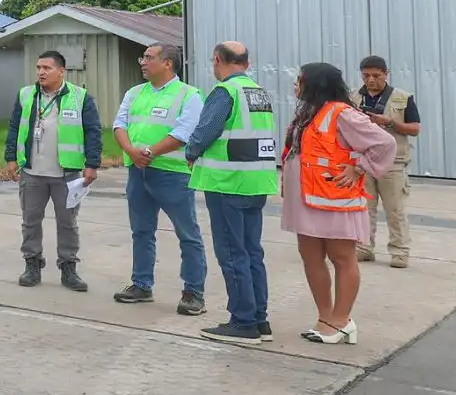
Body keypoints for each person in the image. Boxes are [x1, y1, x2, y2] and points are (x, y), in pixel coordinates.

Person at [280, 61, 397, 345]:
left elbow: (384, 143)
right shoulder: (307, 114)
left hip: (334, 198)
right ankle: (324, 317)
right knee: (310, 258)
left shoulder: (342, 113)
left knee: (341, 258)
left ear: (315, 84)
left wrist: (359, 167)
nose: (296, 85)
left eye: (300, 80)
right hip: (306, 197)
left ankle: (342, 320)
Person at [183, 42, 282, 345]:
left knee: (231, 253)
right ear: (247, 62)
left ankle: (242, 322)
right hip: (256, 182)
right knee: (252, 252)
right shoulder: (258, 92)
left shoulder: (225, 92)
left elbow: (207, 128)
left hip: (227, 181)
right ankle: (258, 318)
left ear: (218, 61)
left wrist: (192, 151)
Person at [110, 43, 208, 316]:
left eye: (149, 57)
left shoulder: (189, 95)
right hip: (138, 171)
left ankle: (193, 292)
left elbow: (185, 132)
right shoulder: (134, 92)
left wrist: (150, 152)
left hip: (172, 174)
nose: (142, 61)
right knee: (141, 231)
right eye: (142, 57)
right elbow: (119, 124)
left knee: (187, 234)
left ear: (167, 63)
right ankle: (141, 284)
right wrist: (131, 152)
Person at [5, 51, 103, 292]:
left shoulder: (81, 98)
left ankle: (69, 267)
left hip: (66, 174)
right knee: (30, 221)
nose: (41, 72)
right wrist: (10, 157)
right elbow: (15, 126)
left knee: (68, 222)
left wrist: (92, 164)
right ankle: (32, 264)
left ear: (61, 71)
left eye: (47, 68)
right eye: (39, 67)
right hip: (32, 172)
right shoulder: (26, 95)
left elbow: (93, 132)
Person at [352, 55, 420, 268]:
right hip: (364, 160)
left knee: (395, 209)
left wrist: (390, 122)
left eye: (376, 76)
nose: (371, 80)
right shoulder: (353, 97)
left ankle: (400, 251)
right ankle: (363, 247)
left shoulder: (403, 98)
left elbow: (415, 128)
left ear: (386, 74)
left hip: (394, 161)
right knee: (364, 207)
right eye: (366, 76)